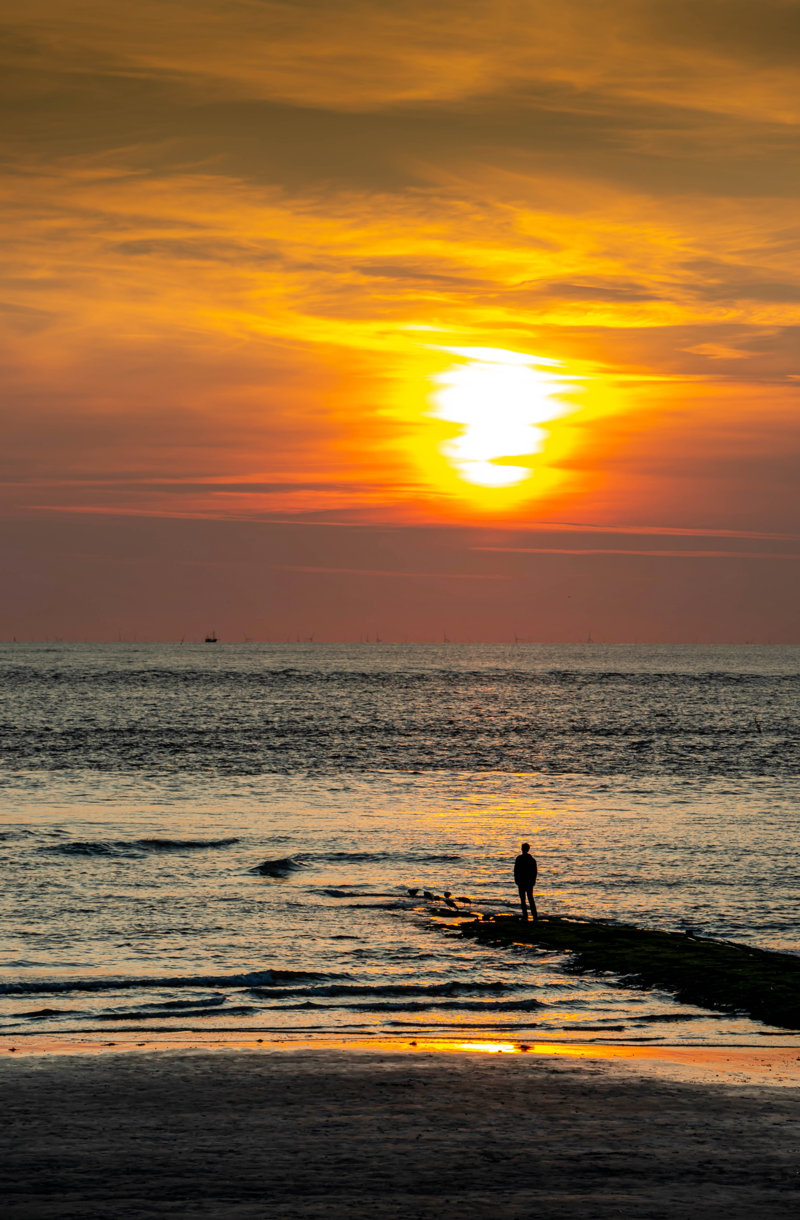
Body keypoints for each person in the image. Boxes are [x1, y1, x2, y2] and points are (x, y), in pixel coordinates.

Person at [514, 842, 538, 921]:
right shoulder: (532, 859)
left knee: (523, 899)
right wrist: (533, 880)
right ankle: (534, 916)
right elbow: (535, 872)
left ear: (522, 849)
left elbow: (516, 871)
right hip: (528, 882)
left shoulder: (519, 858)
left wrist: (516, 880)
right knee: (530, 899)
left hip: (522, 881)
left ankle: (526, 916)